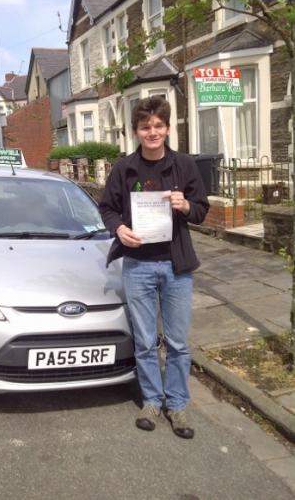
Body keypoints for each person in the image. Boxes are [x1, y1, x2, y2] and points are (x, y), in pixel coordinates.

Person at [99, 95, 209, 439]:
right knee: (146, 341)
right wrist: (119, 228)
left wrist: (186, 205)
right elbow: (107, 209)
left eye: (159, 126)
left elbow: (202, 210)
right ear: (135, 131)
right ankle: (151, 400)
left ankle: (176, 405)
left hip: (176, 266)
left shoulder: (184, 166)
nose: (153, 132)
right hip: (138, 265)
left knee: (177, 343)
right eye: (146, 127)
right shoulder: (123, 168)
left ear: (167, 128)